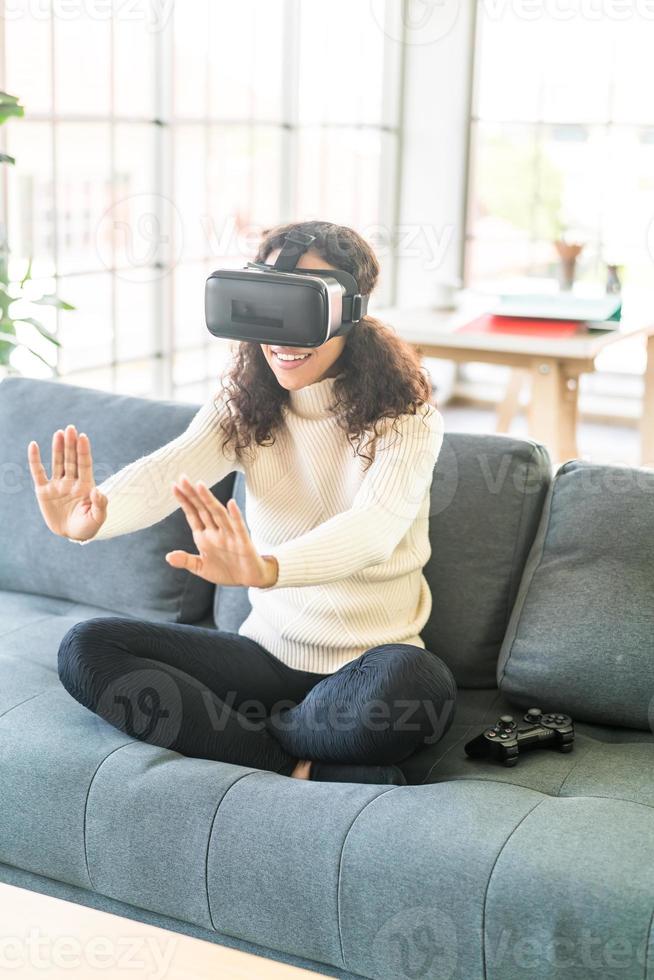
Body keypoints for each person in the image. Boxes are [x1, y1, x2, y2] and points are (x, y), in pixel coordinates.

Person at [27, 219, 457, 785]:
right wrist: (92, 516)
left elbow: (374, 528)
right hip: (263, 657)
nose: (280, 337)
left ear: (348, 310)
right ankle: (296, 763)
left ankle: (247, 737)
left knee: (420, 685)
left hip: (367, 667)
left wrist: (270, 568)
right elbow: (171, 469)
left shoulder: (406, 418)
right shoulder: (248, 403)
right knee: (88, 648)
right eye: (265, 303)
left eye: (300, 307)